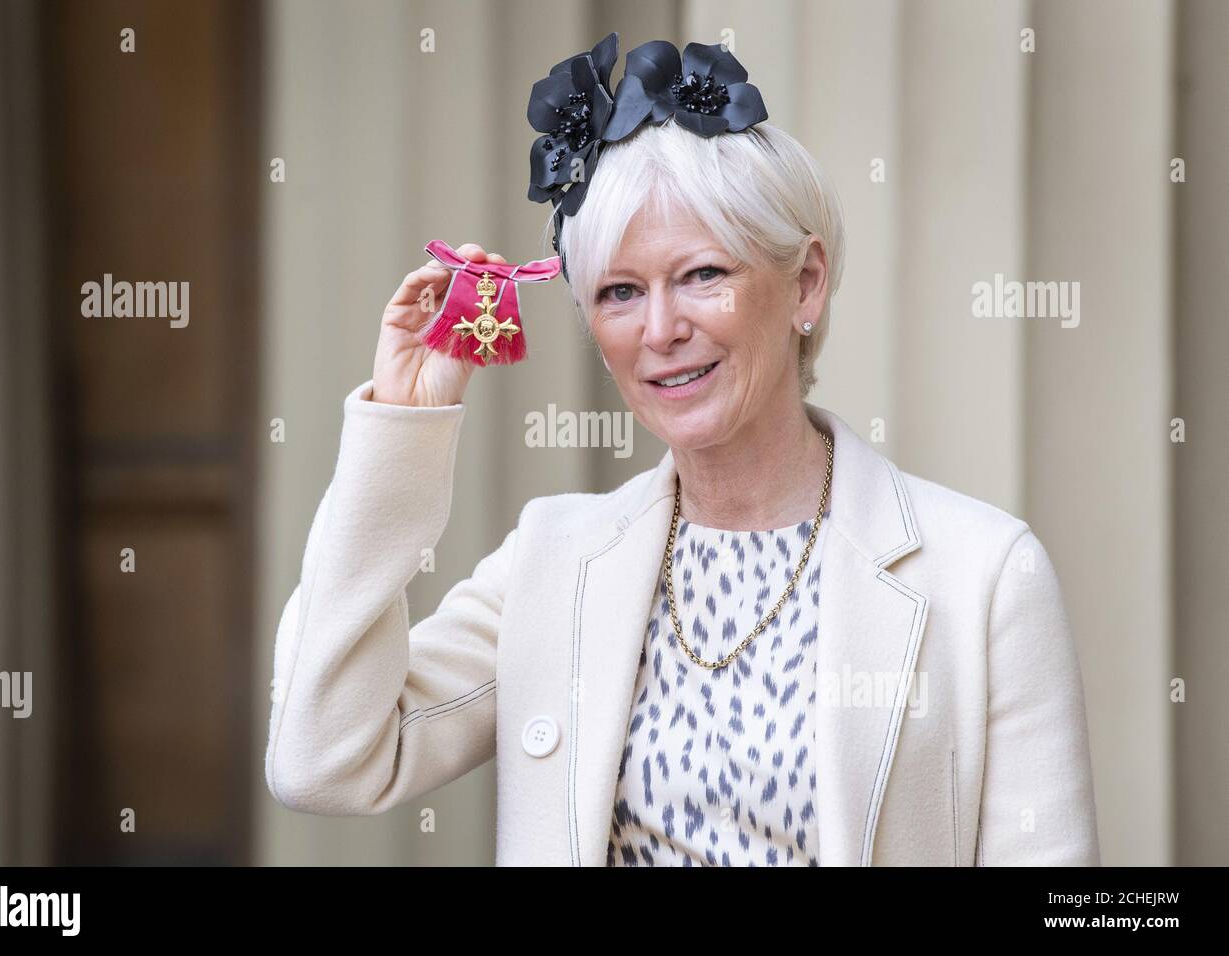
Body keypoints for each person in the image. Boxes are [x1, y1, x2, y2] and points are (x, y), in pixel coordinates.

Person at [264, 33, 1100, 867]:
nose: (661, 331)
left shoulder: (985, 576)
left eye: (703, 275)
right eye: (622, 292)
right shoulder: (553, 562)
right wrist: (402, 429)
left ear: (805, 283)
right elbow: (326, 761)